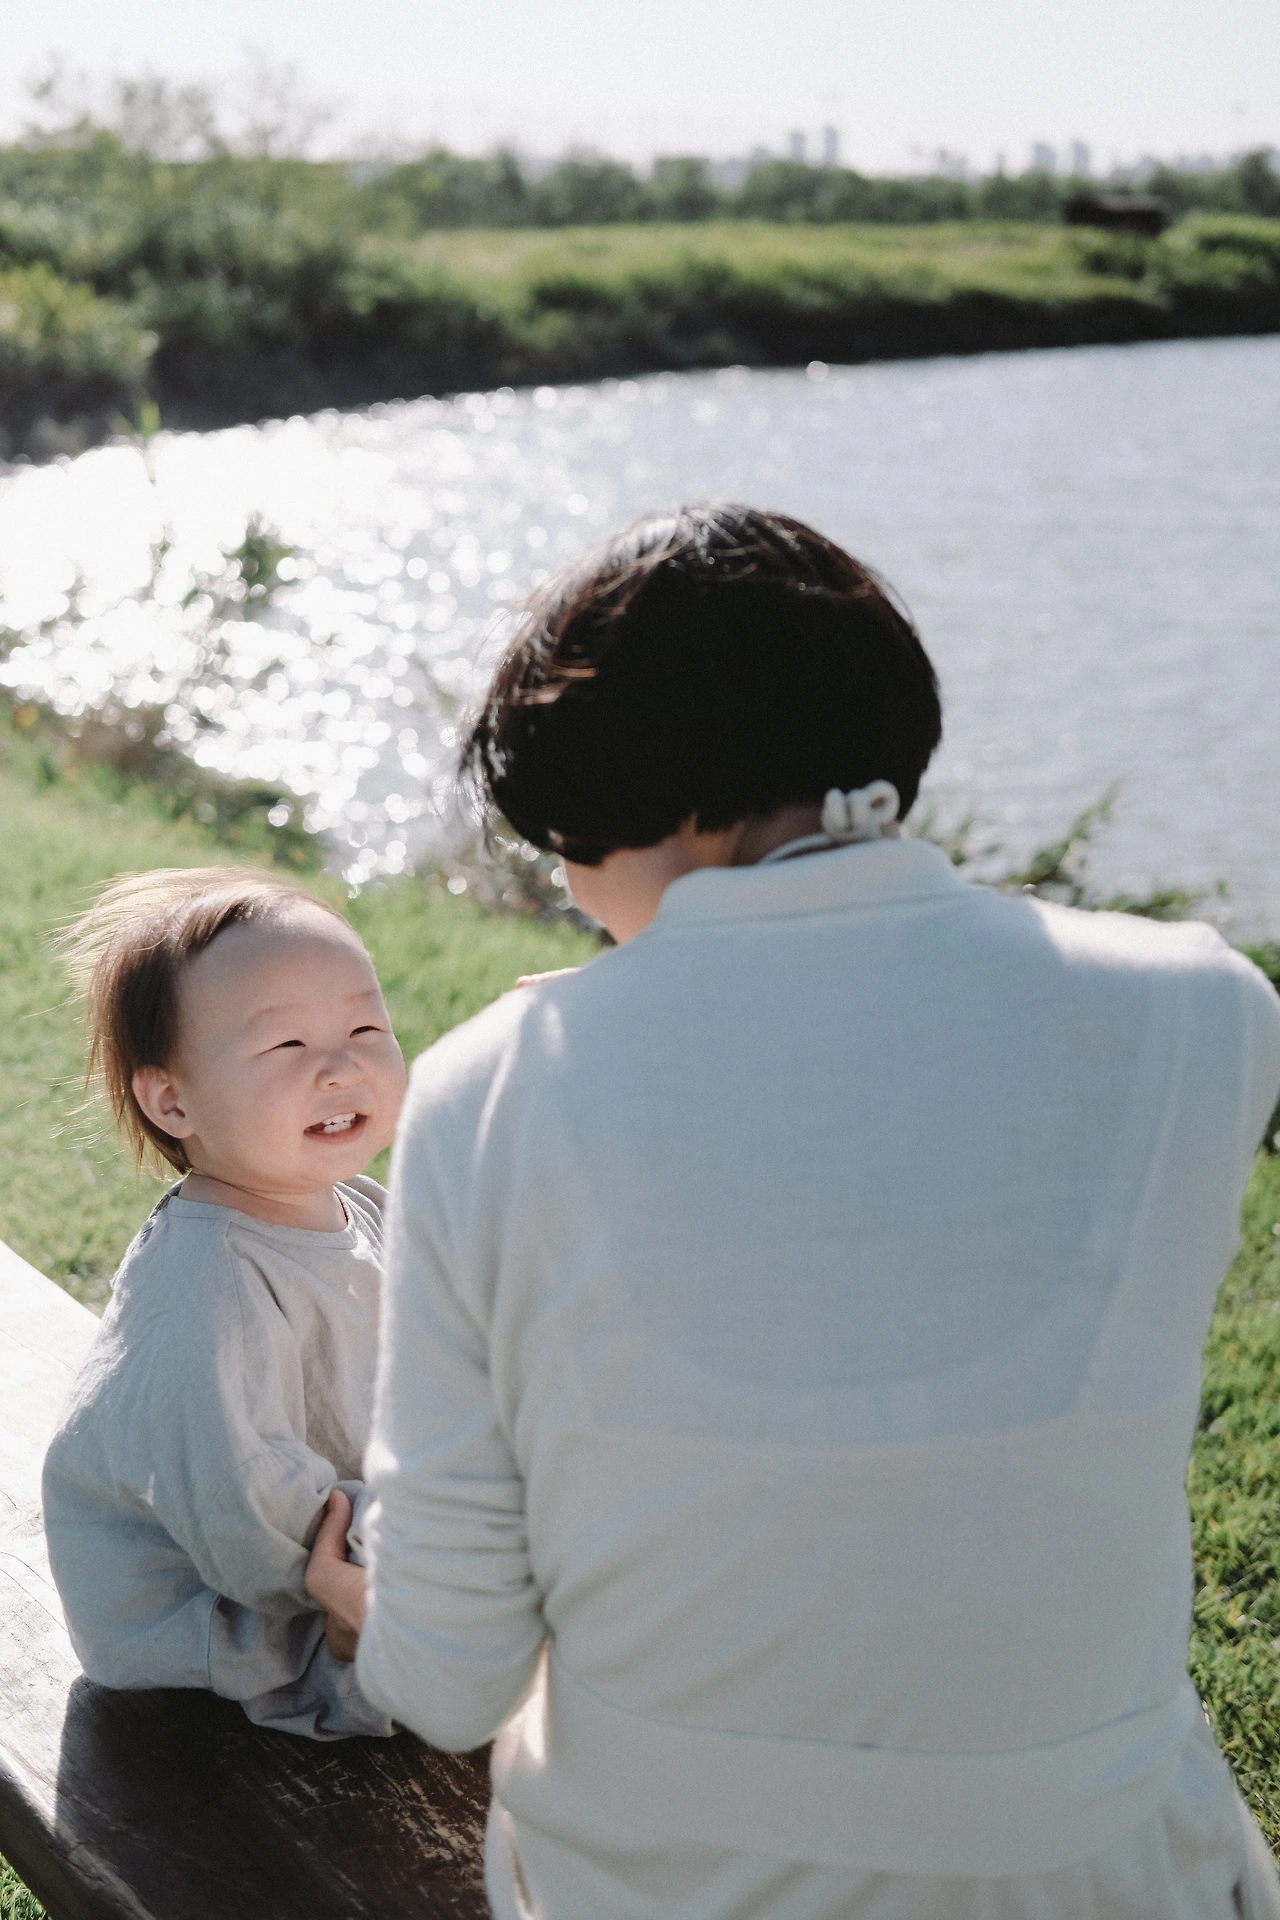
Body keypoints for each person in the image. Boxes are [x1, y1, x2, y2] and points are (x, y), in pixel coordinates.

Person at [308, 505, 1280, 1914]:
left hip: (663, 1886)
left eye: (560, 843)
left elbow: (452, 1679)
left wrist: (366, 1610)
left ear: (628, 798)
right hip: (1109, 1876)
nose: (570, 890)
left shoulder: (491, 1090)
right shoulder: (1206, 1011)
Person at [43, 868, 407, 1739]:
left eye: (365, 1028)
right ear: (174, 1100)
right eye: (286, 1045)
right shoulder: (211, 1290)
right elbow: (252, 1530)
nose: (339, 1067)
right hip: (227, 1620)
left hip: (325, 1536)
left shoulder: (349, 1201)